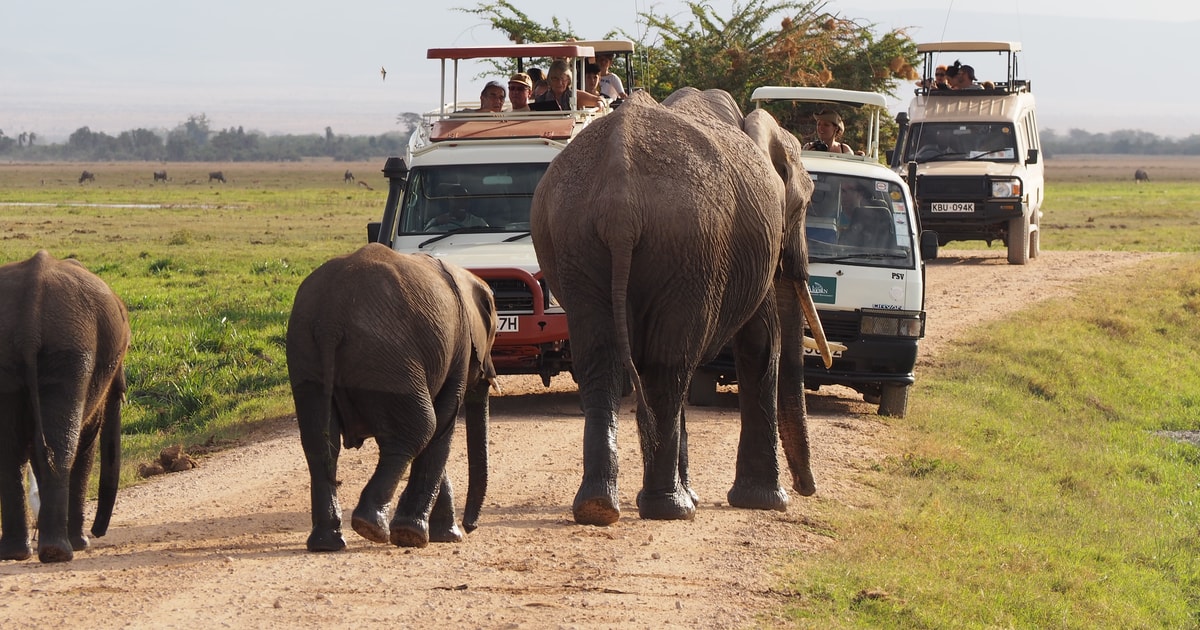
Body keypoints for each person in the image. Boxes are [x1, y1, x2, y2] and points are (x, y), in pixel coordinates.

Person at [536, 60, 605, 110]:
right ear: (550, 79)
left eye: (563, 79)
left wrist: (600, 103)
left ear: (568, 80)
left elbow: (600, 99)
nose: (560, 83)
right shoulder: (541, 99)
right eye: (555, 79)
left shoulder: (575, 95)